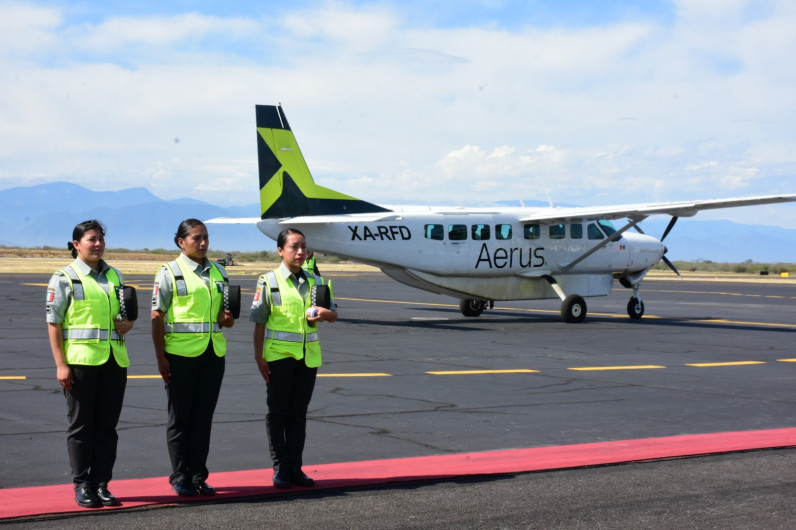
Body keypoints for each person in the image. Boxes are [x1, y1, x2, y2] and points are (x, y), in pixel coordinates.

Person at [46, 220, 133, 508]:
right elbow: (54, 324)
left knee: (107, 427)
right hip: (81, 362)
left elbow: (124, 316)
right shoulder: (64, 278)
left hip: (113, 360)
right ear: (76, 245)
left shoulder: (115, 276)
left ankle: (102, 483)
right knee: (82, 426)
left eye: (100, 239)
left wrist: (127, 324)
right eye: (91, 239)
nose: (97, 244)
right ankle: (83, 485)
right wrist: (61, 364)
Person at [151, 218, 235, 496]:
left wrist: (226, 319)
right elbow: (157, 317)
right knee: (180, 418)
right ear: (181, 242)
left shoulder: (219, 272)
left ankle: (198, 475)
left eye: (206, 238)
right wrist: (161, 358)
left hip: (212, 353)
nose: (202, 243)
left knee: (203, 418)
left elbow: (226, 319)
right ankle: (180, 476)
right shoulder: (169, 272)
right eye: (196, 238)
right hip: (180, 355)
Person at [251, 228, 337, 488]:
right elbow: (259, 324)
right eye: (294, 247)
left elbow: (333, 313)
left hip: (307, 358)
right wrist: (258, 357)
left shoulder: (316, 281)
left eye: (303, 247)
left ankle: (295, 468)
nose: (300, 252)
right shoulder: (268, 281)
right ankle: (280, 468)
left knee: (298, 414)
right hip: (278, 358)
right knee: (278, 413)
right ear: (280, 250)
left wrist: (325, 314)